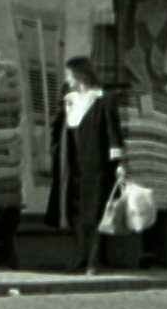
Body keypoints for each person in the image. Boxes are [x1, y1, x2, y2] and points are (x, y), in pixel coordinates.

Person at [46, 56, 125, 275]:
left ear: (79, 75)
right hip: (71, 163)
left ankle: (93, 258)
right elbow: (57, 130)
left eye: (69, 75)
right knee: (74, 209)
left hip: (96, 163)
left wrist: (118, 163)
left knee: (96, 211)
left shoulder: (103, 99)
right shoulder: (68, 100)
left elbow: (113, 132)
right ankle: (80, 252)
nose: (67, 80)